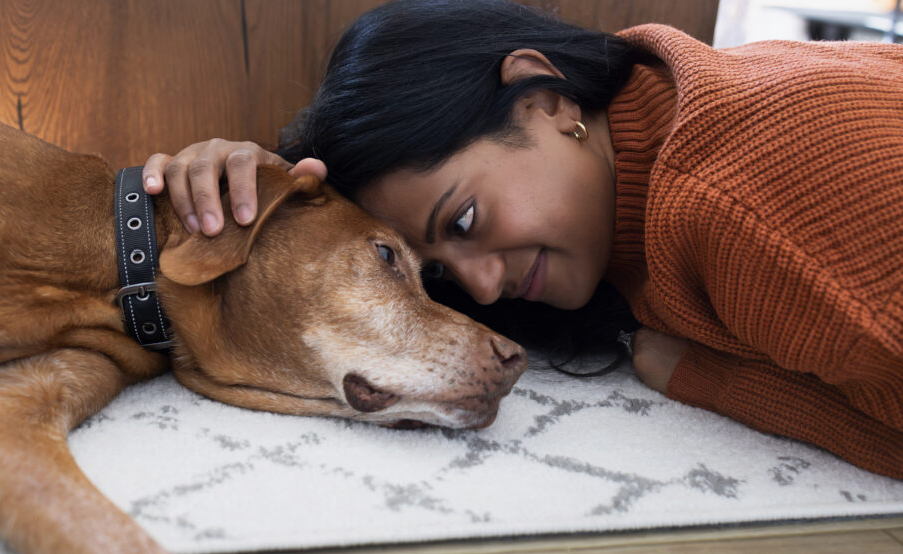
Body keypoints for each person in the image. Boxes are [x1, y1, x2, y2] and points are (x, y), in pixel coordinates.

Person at [142, 0, 903, 477]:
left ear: (542, 98)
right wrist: (228, 188)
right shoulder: (654, 112)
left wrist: (711, 382)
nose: (478, 288)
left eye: (464, 221)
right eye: (436, 272)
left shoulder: (734, 200)